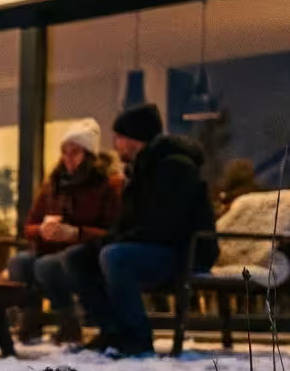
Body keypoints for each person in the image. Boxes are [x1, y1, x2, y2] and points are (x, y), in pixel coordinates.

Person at [62, 102, 218, 357]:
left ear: (135, 138)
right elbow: (127, 223)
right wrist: (104, 241)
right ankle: (111, 331)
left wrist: (117, 242)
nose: (115, 144)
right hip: (153, 245)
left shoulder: (175, 167)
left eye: (119, 137)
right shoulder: (140, 169)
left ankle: (137, 338)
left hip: (184, 252)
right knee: (78, 258)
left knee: (115, 256)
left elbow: (166, 224)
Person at [5, 118, 122, 344]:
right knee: (19, 262)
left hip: (84, 252)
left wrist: (76, 233)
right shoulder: (53, 185)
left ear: (88, 155)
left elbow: (112, 231)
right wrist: (41, 229)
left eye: (75, 152)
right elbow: (28, 227)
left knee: (46, 265)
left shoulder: (106, 186)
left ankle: (69, 321)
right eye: (64, 152)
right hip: (50, 247)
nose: (68, 158)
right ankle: (31, 319)